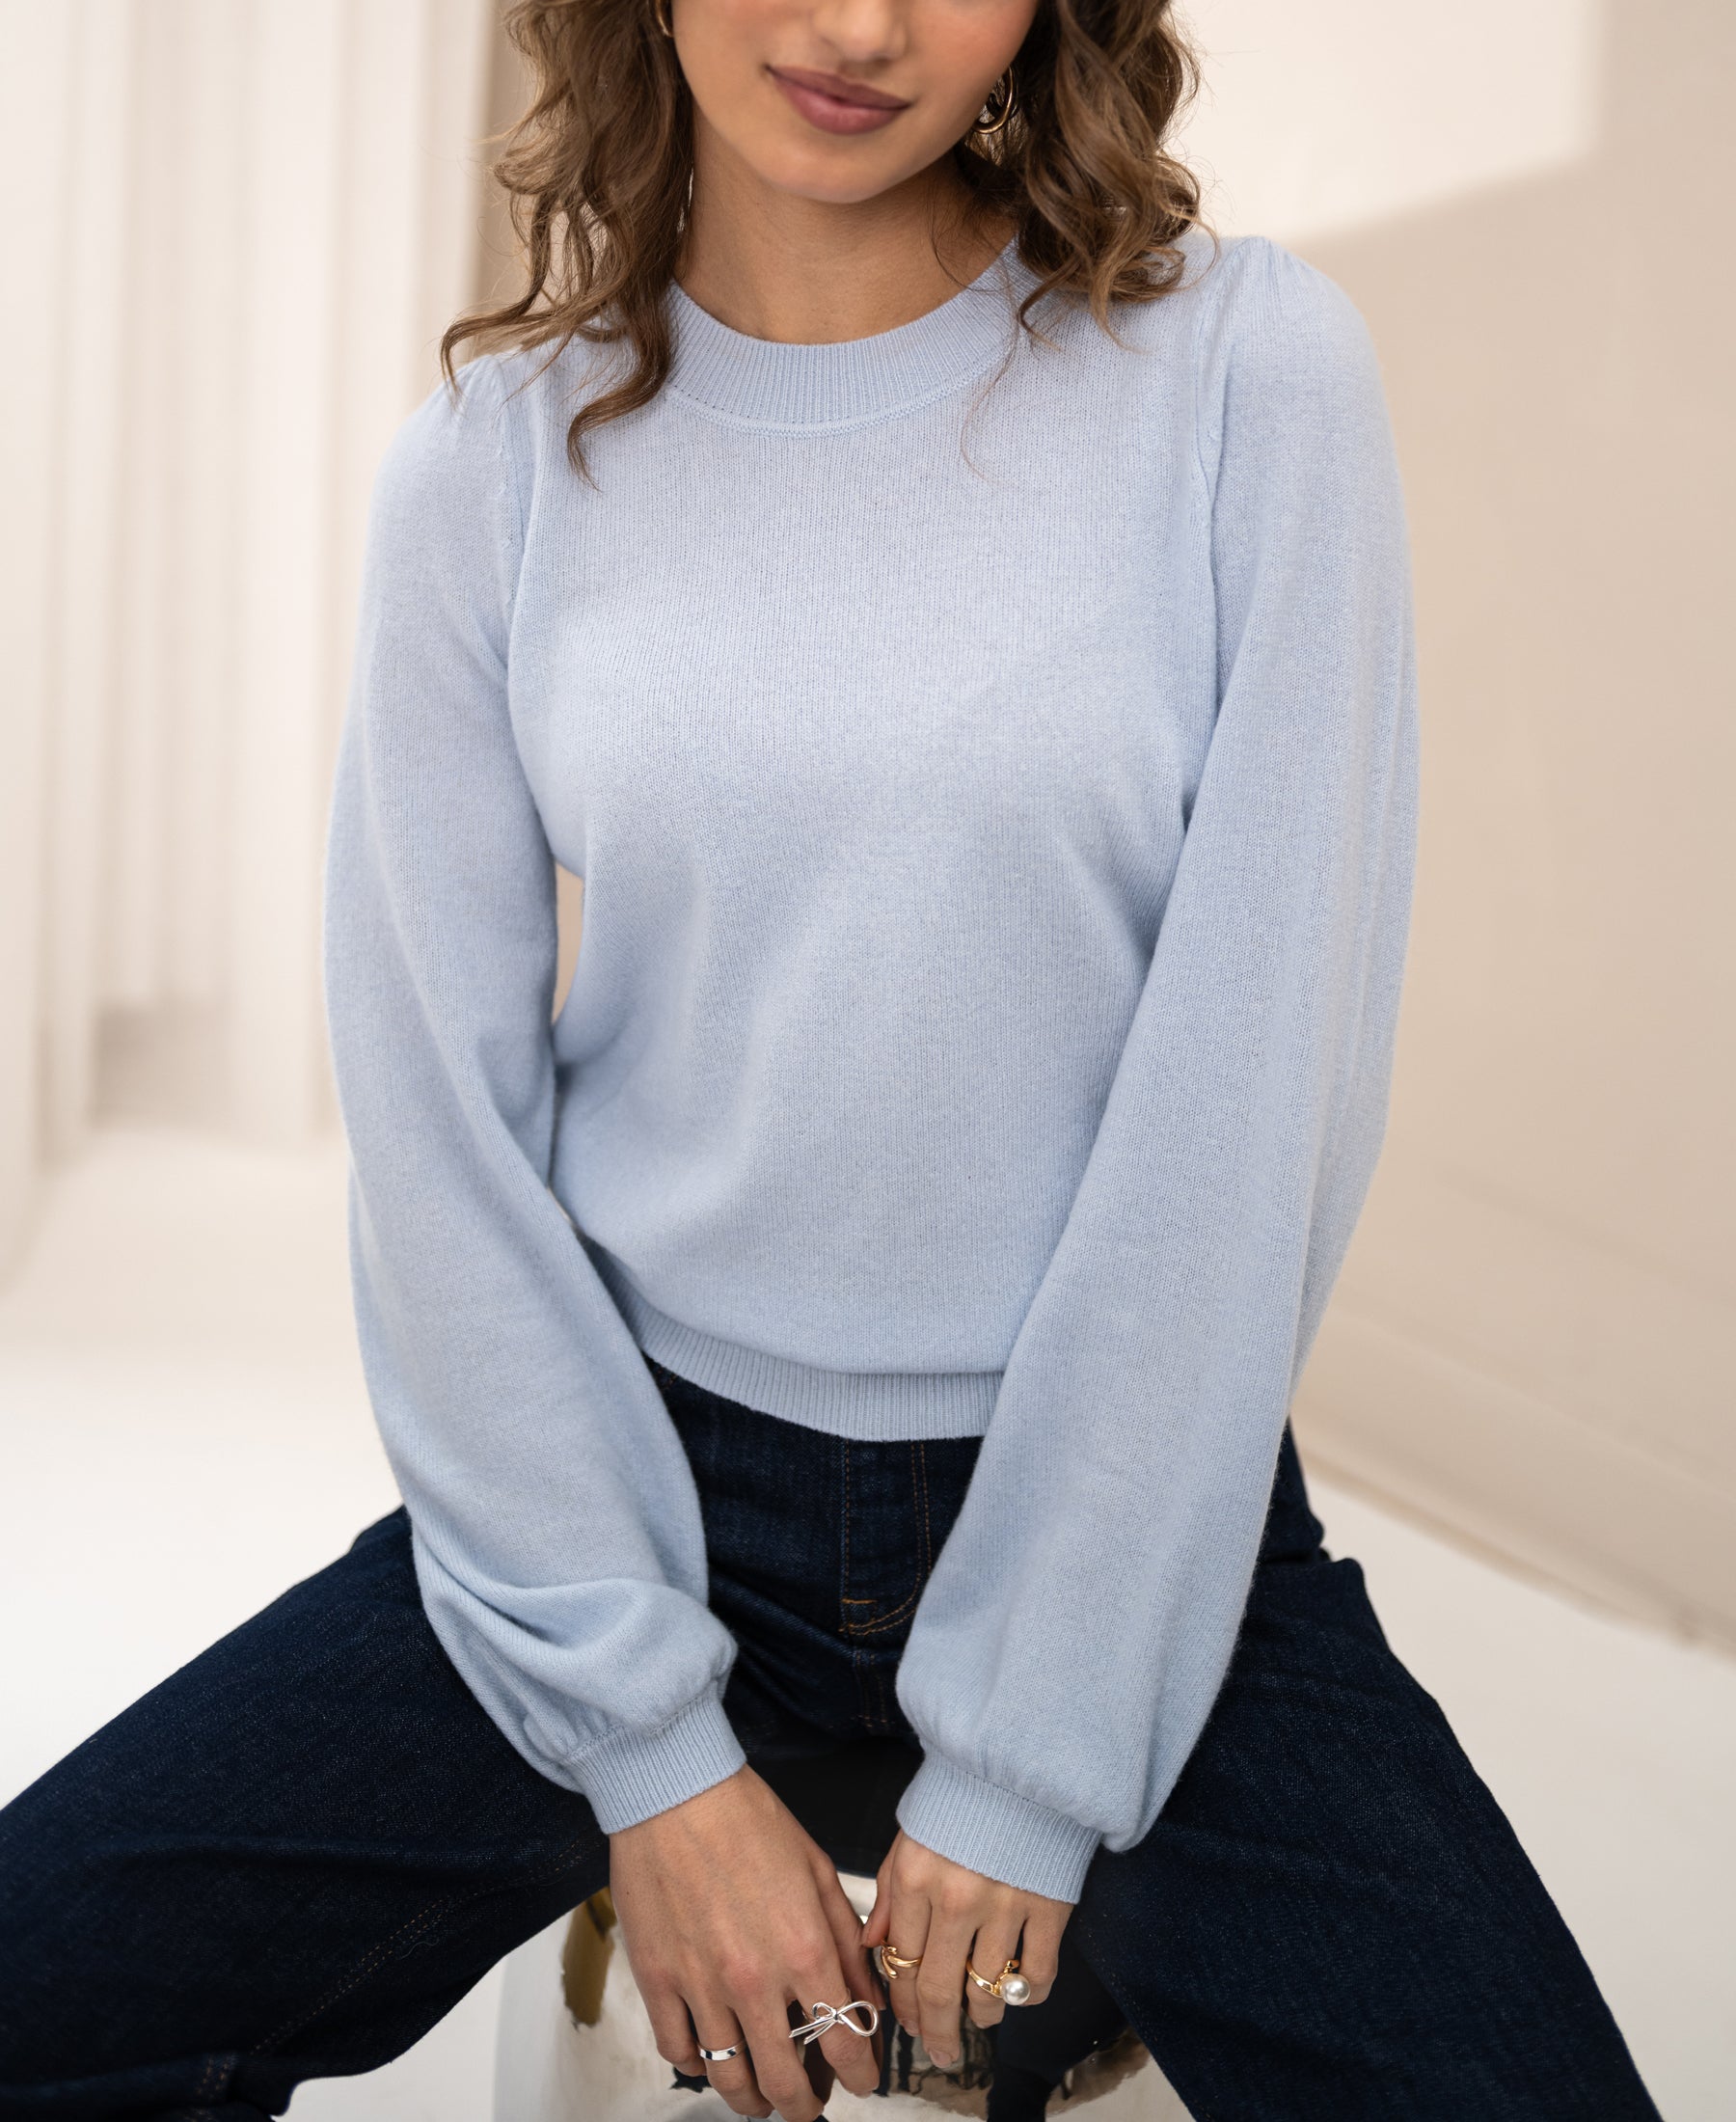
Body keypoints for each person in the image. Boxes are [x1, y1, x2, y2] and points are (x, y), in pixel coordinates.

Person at [0, 0, 1666, 2116]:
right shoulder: (496, 462)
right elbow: (438, 1136)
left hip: (1131, 1523)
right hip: (632, 1493)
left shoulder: (1248, 374)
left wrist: (1037, 1744)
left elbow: (1257, 1087)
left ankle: (1040, 1976)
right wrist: (648, 1748)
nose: (861, 24)